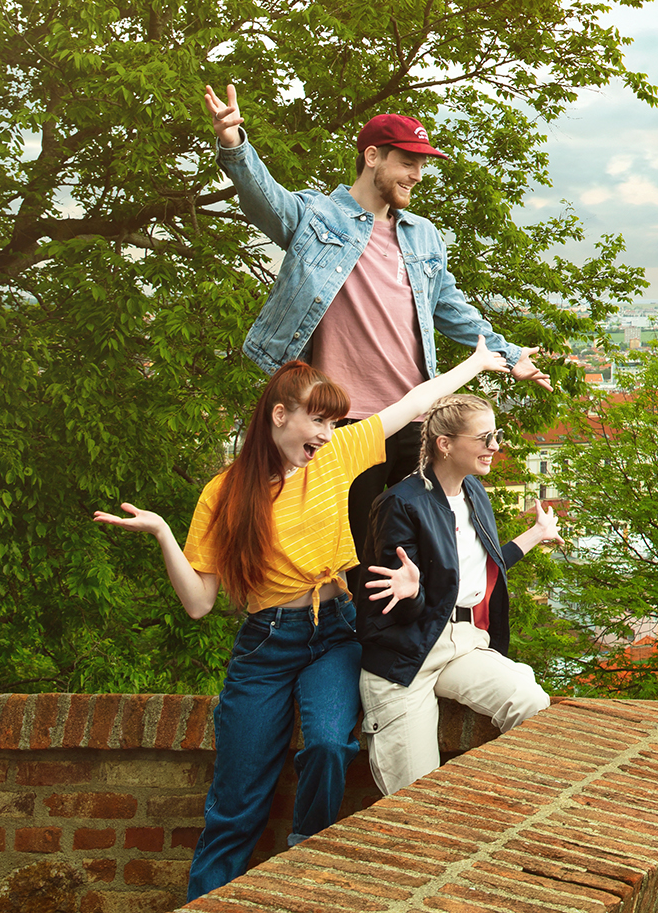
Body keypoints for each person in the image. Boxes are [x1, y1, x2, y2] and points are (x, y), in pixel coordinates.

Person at [95, 337, 508, 900]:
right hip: (264, 646)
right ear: (279, 415)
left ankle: (302, 854)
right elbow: (199, 603)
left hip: (334, 633)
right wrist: (165, 534)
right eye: (318, 420)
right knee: (235, 804)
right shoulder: (223, 495)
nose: (326, 434)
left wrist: (478, 362)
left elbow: (415, 403)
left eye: (334, 423)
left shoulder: (335, 457)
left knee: (328, 746)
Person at [202, 83, 553, 550]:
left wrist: (508, 355)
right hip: (343, 430)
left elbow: (451, 308)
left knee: (424, 554)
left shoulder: (424, 236)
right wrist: (234, 144)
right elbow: (266, 199)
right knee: (354, 557)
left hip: (416, 423)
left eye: (422, 164)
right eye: (408, 162)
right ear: (372, 157)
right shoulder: (318, 217)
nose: (418, 174)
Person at [351, 393, 560, 794]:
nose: (495, 446)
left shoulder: (473, 494)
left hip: (460, 643)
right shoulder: (399, 504)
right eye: (484, 438)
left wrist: (536, 534)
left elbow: (474, 568)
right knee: (415, 795)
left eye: (495, 435)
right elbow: (389, 603)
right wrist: (412, 593)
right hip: (406, 656)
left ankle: (496, 803)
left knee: (531, 703)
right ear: (445, 444)